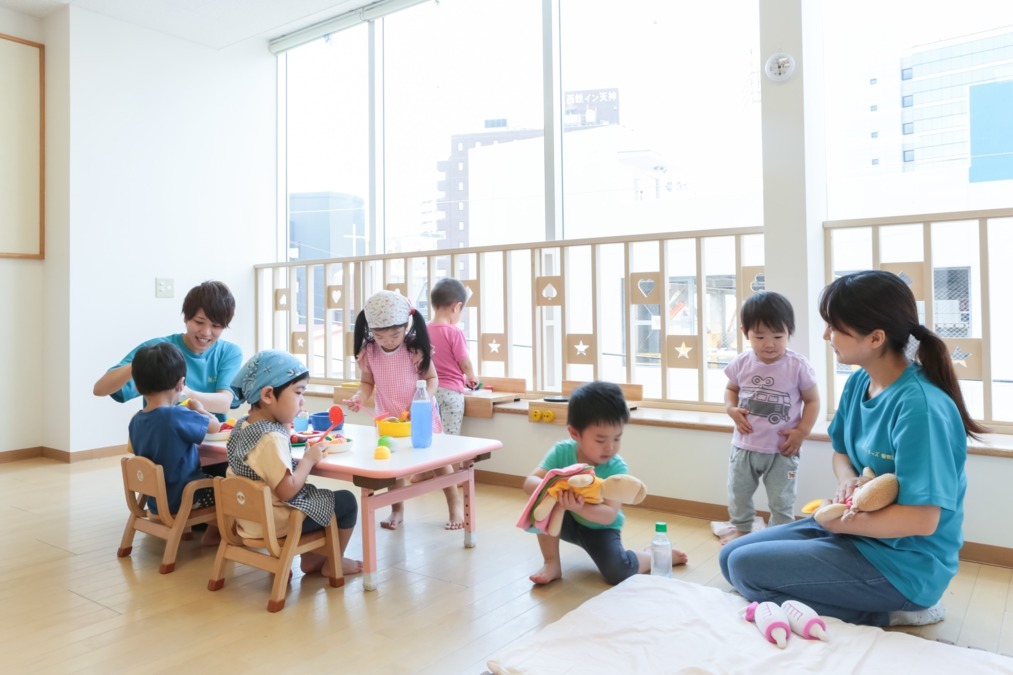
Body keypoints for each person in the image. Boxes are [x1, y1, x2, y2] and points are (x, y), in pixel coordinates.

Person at [720, 270, 987, 627]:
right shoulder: (860, 381)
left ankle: (898, 611)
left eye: (834, 327)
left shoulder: (921, 409)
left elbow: (923, 520)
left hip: (902, 565)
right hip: (855, 531)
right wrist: (846, 479)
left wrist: (842, 524)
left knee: (744, 568)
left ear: (875, 338)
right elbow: (841, 452)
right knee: (730, 556)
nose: (825, 335)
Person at [523, 381, 688, 586]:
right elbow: (529, 483)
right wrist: (555, 490)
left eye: (617, 439)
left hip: (598, 528)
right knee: (540, 504)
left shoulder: (616, 468)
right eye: (600, 440)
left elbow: (609, 515)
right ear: (575, 433)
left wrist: (579, 506)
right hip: (565, 521)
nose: (610, 447)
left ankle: (654, 556)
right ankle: (551, 563)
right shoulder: (562, 452)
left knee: (617, 572)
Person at [227, 350, 362, 577]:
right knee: (346, 501)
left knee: (316, 496)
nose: (302, 400)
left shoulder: (243, 426)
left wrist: (287, 421)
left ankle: (312, 558)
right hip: (275, 523)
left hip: (249, 519)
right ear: (268, 395)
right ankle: (333, 563)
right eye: (298, 392)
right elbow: (288, 491)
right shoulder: (270, 439)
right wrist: (308, 460)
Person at [719, 291, 820, 544]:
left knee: (782, 498)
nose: (769, 344)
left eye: (778, 336)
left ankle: (780, 536)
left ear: (789, 332)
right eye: (759, 336)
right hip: (744, 446)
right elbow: (731, 389)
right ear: (745, 332)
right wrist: (731, 409)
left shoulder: (797, 365)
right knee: (738, 492)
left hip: (783, 449)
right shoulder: (742, 362)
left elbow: (813, 401)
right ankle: (742, 529)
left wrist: (801, 432)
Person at [346, 290, 443, 530]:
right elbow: (367, 383)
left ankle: (455, 508)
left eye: (394, 334)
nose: (387, 341)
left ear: (406, 326)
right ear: (371, 330)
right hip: (389, 418)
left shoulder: (414, 349)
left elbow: (432, 379)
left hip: (419, 416)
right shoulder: (370, 351)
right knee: (394, 464)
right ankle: (397, 511)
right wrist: (359, 397)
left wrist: (422, 402)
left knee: (440, 464)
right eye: (380, 336)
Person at [93, 280, 243, 422]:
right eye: (199, 322)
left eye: (216, 326)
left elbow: (224, 403)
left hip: (212, 437)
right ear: (186, 318)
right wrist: (140, 362)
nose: (206, 332)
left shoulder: (229, 352)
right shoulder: (158, 349)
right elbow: (100, 389)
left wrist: (182, 393)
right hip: (162, 436)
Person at [127, 342, 222, 546]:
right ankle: (214, 534)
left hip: (156, 498)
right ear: (181, 384)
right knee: (224, 486)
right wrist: (200, 408)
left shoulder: (136, 420)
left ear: (137, 385)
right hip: (186, 497)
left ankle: (191, 531)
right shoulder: (176, 415)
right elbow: (215, 426)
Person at [422, 278, 478, 529]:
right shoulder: (454, 332)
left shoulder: (423, 329)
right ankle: (451, 484)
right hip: (453, 394)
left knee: (432, 437)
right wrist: (472, 377)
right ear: (456, 307)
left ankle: (424, 471)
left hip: (430, 392)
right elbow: (464, 362)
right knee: (450, 445)